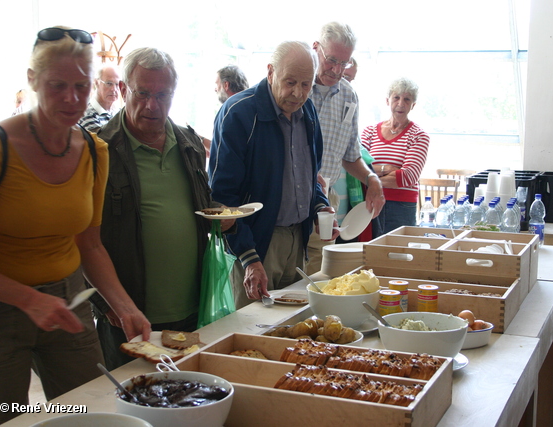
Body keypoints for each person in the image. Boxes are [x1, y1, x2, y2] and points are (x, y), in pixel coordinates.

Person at [0, 26, 150, 426]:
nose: (71, 99)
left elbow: (90, 245)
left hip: (69, 301)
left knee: (86, 409)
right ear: (32, 80)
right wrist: (28, 299)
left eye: (81, 86)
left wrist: (125, 306)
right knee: (8, 415)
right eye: (57, 85)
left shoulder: (95, 152)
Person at [92, 47, 234, 370]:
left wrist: (224, 218)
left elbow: (202, 205)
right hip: (128, 317)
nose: (152, 105)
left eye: (162, 95)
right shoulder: (100, 149)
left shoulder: (189, 143)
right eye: (142, 93)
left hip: (192, 310)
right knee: (130, 406)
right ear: (124, 90)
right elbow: (85, 240)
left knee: (186, 401)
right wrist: (107, 303)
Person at [209, 41, 337, 309]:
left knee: (291, 326)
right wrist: (248, 257)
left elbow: (308, 177)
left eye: (305, 84)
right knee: (252, 332)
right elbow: (221, 199)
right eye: (290, 82)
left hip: (297, 239)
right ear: (270, 72)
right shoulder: (239, 113)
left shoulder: (308, 113)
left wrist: (320, 206)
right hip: (255, 244)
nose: (298, 93)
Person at [305, 22, 385, 274]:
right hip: (287, 197)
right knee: (281, 275)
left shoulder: (348, 96)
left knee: (316, 276)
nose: (337, 69)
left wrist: (372, 178)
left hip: (324, 200)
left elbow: (351, 156)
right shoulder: (297, 89)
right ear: (315, 48)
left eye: (344, 63)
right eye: (331, 60)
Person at [361, 77, 430, 237]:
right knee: (368, 252)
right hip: (370, 201)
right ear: (387, 100)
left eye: (407, 99)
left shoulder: (419, 136)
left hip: (401, 206)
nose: (401, 103)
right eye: (396, 98)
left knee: (397, 255)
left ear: (413, 105)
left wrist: (370, 176)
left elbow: (408, 177)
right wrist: (389, 169)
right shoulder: (369, 131)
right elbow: (359, 166)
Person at [78, 65, 121, 132]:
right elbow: (107, 141)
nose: (114, 89)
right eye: (109, 83)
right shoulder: (87, 115)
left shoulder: (119, 111)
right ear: (96, 83)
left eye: (117, 84)